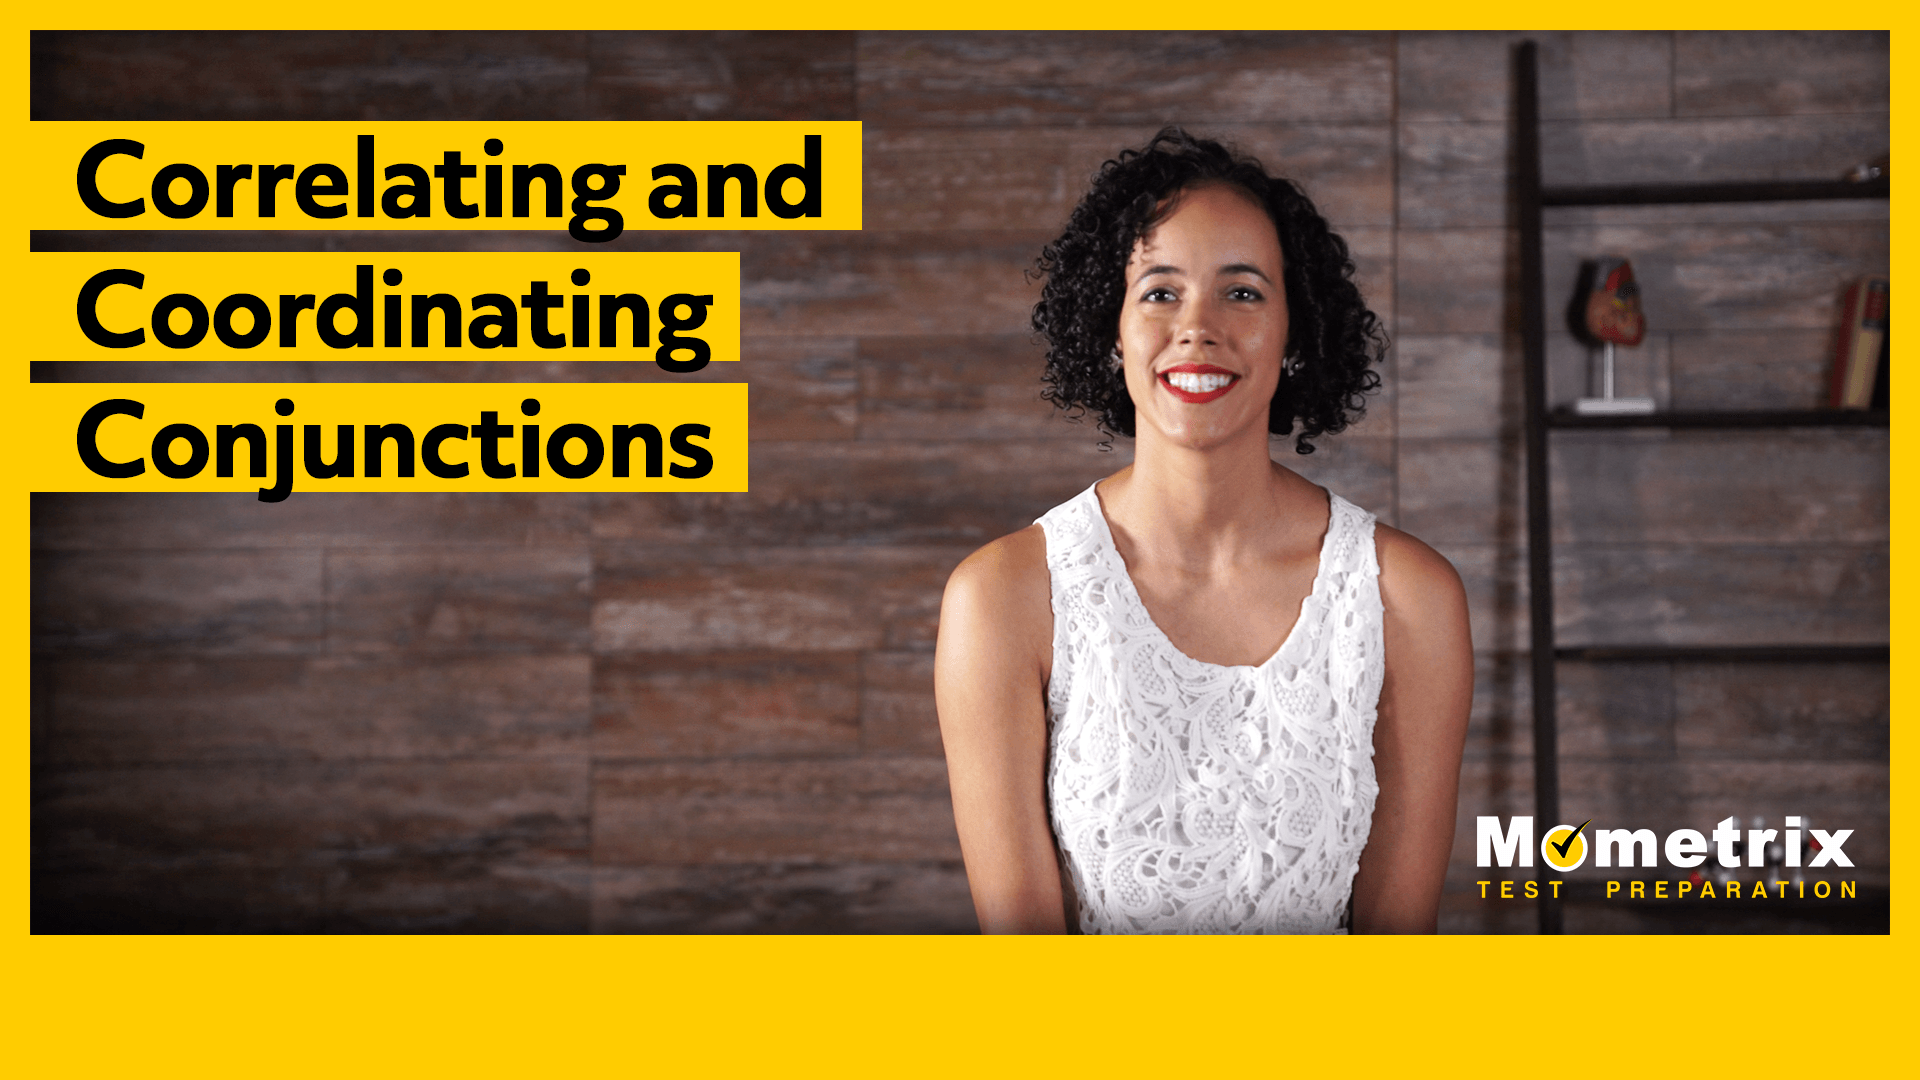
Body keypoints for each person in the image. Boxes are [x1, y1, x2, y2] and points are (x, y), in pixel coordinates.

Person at [934, 129, 1472, 933]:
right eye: (1159, 291)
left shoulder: (1409, 599)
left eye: (1243, 292)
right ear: (1111, 331)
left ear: (1296, 334)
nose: (1198, 327)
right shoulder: (1005, 598)